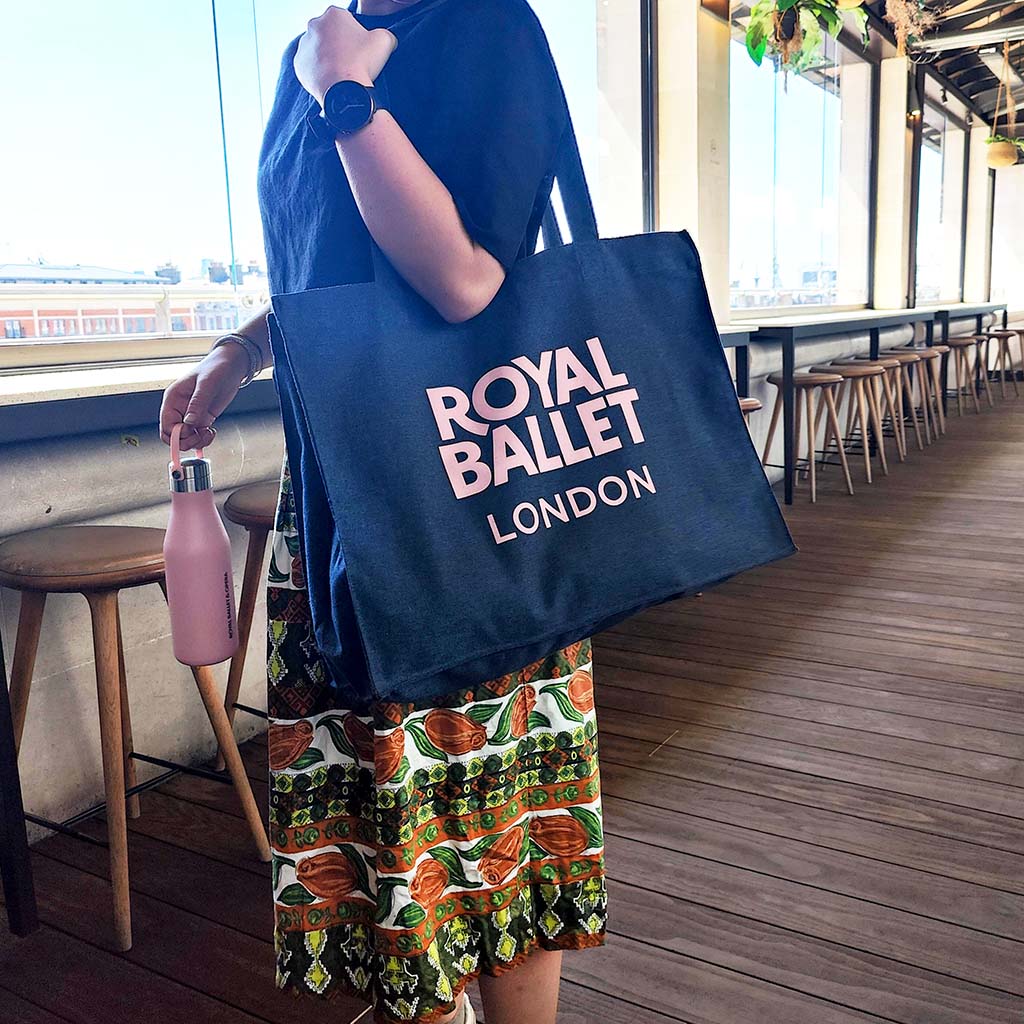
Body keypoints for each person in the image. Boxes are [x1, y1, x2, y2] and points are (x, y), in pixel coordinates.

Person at [159, 2, 607, 1022]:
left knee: (496, 818)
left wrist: (351, 98)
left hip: (471, 505)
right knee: (383, 819)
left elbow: (462, 281)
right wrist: (239, 353)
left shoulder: (485, 26)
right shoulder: (303, 57)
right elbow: (328, 274)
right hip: (339, 500)